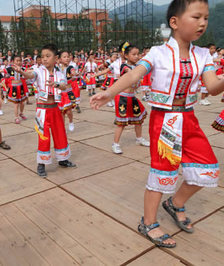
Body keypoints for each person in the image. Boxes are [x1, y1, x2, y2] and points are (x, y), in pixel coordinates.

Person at [90, 0, 223, 248]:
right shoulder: (157, 53)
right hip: (165, 121)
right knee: (164, 172)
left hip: (189, 118)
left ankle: (176, 203)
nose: (203, 23)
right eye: (196, 17)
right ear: (174, 22)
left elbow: (213, 87)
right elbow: (133, 75)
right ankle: (148, 222)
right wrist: (109, 93)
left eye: (205, 18)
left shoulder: (203, 54)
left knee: (207, 168)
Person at [14, 44, 76, 177]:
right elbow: (30, 75)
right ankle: (41, 164)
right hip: (42, 110)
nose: (45, 59)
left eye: (48, 56)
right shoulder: (39, 71)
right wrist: (21, 72)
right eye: (42, 57)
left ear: (56, 58)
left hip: (55, 108)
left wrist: (58, 85)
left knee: (60, 134)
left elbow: (65, 86)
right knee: (44, 137)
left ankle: (63, 159)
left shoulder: (60, 73)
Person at [111, 44, 149, 154]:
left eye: (138, 54)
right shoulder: (124, 66)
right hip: (122, 97)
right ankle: (115, 144)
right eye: (133, 54)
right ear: (126, 55)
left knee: (138, 120)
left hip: (132, 97)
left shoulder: (138, 66)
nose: (136, 56)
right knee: (121, 123)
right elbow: (130, 73)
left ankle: (139, 138)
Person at [58, 51, 78, 132]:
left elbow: (73, 72)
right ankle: (62, 127)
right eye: (64, 57)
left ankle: (71, 121)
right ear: (60, 59)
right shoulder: (57, 68)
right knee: (62, 112)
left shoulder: (70, 67)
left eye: (68, 57)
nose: (67, 58)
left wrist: (74, 74)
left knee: (69, 111)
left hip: (68, 92)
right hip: (60, 93)